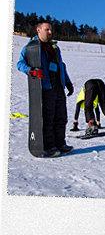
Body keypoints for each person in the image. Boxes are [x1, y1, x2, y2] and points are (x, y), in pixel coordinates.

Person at [16, 21, 74, 157]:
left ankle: (61, 143)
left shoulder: (54, 47)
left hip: (58, 87)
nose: (50, 32)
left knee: (61, 117)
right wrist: (31, 71)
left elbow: (61, 66)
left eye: (51, 30)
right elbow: (20, 64)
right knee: (48, 118)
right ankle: (49, 146)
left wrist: (68, 83)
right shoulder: (31, 47)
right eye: (47, 29)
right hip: (46, 88)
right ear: (38, 30)